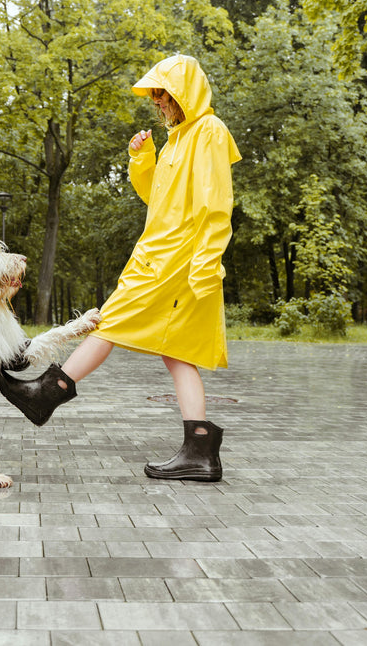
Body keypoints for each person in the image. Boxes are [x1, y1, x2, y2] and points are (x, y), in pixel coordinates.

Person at [61, 53, 241, 481]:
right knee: (176, 354)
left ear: (183, 93)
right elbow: (157, 202)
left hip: (180, 261)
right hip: (162, 254)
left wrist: (206, 263)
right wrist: (143, 160)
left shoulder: (209, 131)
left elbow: (216, 206)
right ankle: (199, 451)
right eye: (156, 96)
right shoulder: (178, 139)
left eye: (163, 95)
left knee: (114, 319)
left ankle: (50, 390)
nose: (158, 102)